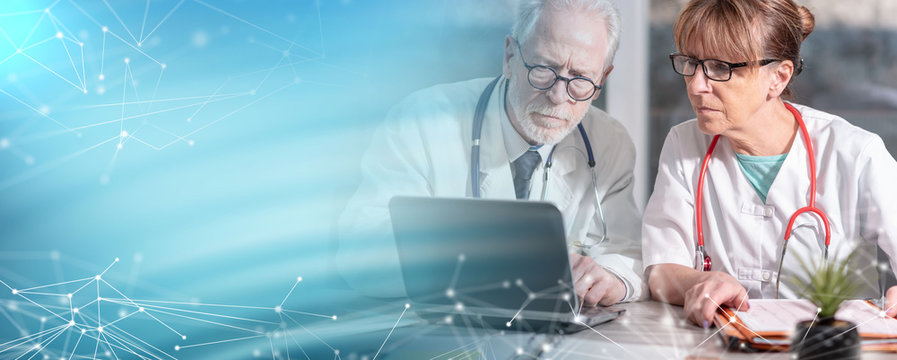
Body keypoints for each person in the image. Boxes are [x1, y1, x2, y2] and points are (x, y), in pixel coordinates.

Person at [338, 0, 645, 306]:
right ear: (510, 56)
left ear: (602, 78)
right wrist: (480, 257)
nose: (557, 96)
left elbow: (627, 255)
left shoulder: (609, 143)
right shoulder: (421, 122)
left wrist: (611, 278)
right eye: (543, 69)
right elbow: (361, 255)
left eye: (580, 79)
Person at [642, 0, 897, 327]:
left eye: (721, 68)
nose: (696, 85)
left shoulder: (856, 153)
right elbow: (661, 269)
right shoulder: (683, 144)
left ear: (778, 77)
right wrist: (697, 283)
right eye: (691, 62)